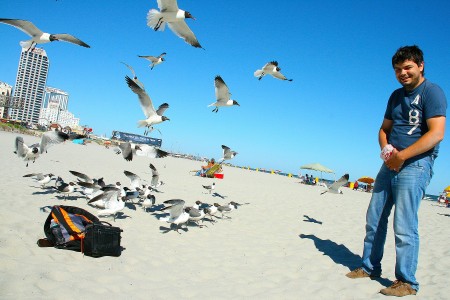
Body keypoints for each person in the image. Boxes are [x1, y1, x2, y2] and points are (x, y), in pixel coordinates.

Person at [346, 45, 447, 296]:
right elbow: (384, 129)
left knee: (404, 225)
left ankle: (406, 282)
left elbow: (437, 133)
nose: (403, 73)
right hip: (390, 163)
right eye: (398, 69)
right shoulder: (395, 96)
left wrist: (402, 156)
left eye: (407, 67)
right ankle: (369, 267)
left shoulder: (432, 92)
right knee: (375, 218)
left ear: (420, 66)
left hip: (416, 164)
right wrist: (387, 151)